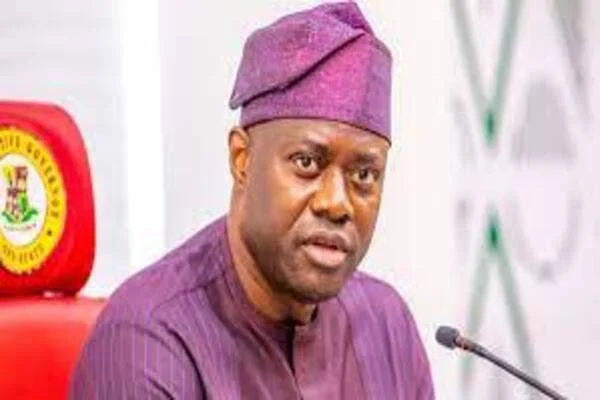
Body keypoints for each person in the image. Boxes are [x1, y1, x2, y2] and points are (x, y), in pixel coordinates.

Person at [71, 2, 434, 399]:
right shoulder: (148, 341)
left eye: (363, 175)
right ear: (241, 159)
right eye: (307, 163)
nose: (336, 203)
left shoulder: (387, 327)